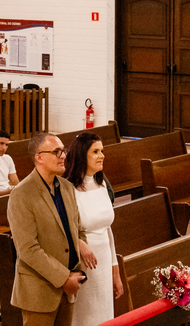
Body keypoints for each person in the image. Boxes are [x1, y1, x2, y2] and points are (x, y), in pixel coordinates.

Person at [7, 132, 97, 326]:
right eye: (56, 152)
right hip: (39, 292)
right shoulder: (22, 194)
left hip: (68, 289)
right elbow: (28, 250)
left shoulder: (66, 187)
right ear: (39, 157)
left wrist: (77, 272)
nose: (63, 155)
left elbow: (78, 231)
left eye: (63, 151)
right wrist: (65, 278)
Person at [63, 134, 123, 325]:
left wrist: (116, 273)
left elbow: (108, 230)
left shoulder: (102, 183)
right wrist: (80, 244)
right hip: (82, 261)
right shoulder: (69, 188)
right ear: (82, 155)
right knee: (85, 315)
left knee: (104, 312)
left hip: (104, 259)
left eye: (102, 151)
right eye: (95, 151)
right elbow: (62, 228)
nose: (101, 155)